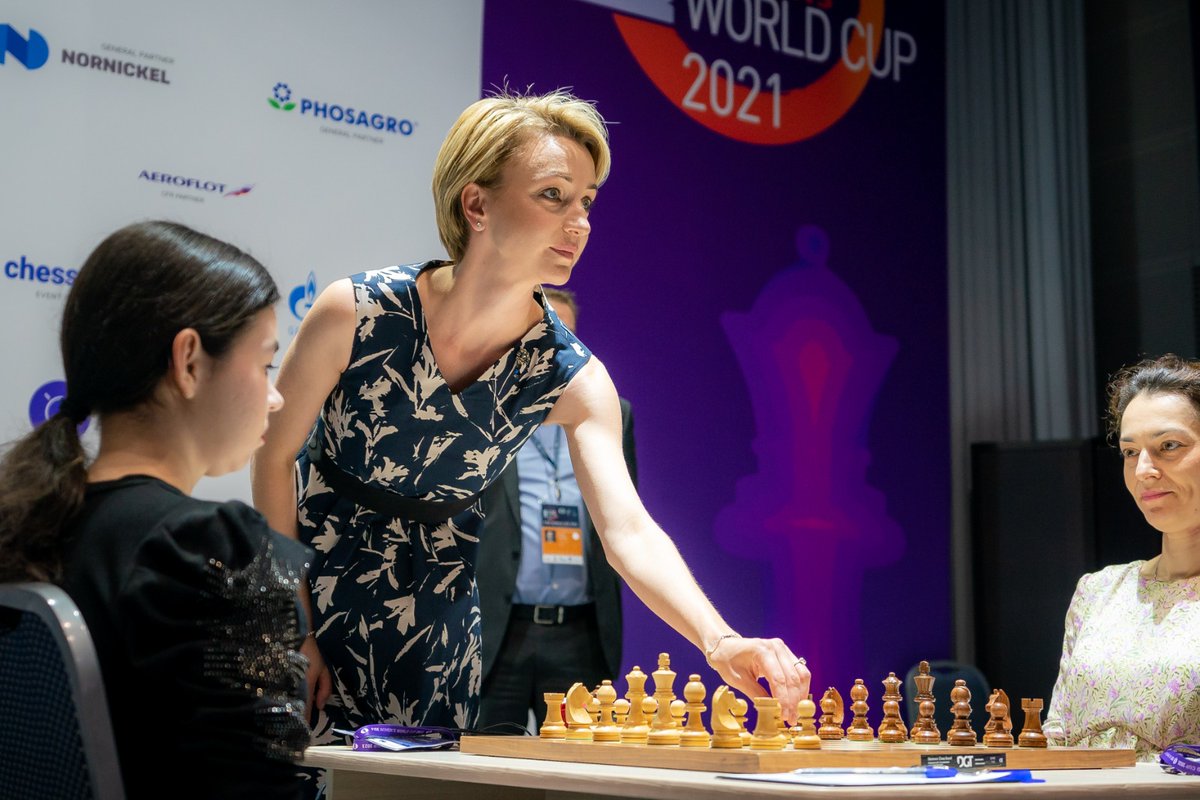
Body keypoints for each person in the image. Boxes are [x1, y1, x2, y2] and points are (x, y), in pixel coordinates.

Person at [250, 89, 810, 754]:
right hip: (308, 595)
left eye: (587, 202)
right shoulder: (357, 311)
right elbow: (273, 456)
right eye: (553, 195)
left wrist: (719, 640)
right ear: (476, 204)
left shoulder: (573, 376)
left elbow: (627, 531)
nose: (580, 223)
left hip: (437, 630)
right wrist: (293, 624)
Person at [0, 221, 312, 800]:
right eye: (265, 365)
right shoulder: (209, 549)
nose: (275, 398)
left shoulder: (26, 525)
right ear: (189, 361)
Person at [476, 287, 634, 732]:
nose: (554, 347)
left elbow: (624, 523)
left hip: (579, 634)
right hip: (501, 630)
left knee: (576, 764)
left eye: (566, 336)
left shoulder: (613, 415)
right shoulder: (485, 412)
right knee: (489, 760)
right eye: (543, 333)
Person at [1044, 354, 1200, 759]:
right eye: (1131, 452)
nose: (1144, 470)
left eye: (1169, 446)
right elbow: (1057, 734)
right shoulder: (1099, 592)